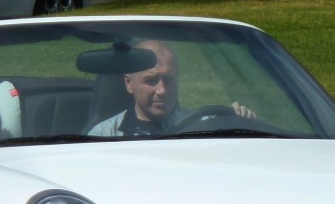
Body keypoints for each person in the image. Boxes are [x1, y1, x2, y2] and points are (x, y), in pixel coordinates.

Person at [86, 40, 253, 137]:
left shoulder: (205, 126)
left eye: (169, 79)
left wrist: (242, 125)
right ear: (129, 83)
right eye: (151, 80)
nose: (162, 90)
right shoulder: (104, 135)